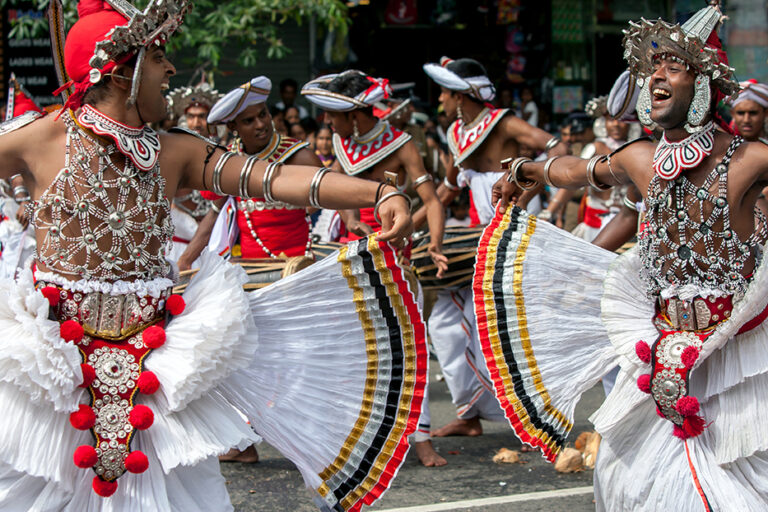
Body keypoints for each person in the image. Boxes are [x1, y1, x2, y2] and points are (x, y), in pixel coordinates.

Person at [0, 1, 424, 510]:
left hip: (156, 361)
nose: (170, 69)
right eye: (157, 56)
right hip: (52, 366)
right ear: (118, 73)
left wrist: (375, 194)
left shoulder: (175, 150)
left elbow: (275, 178)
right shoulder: (39, 139)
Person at [484, 4, 768, 508]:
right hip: (659, 346)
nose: (655, 76)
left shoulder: (750, 160)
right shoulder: (640, 157)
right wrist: (529, 168)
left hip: (738, 359)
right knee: (626, 479)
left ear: (703, 82)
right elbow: (574, 170)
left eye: (673, 66)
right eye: (651, 69)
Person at [303, 70, 449, 467]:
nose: (328, 124)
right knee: (351, 352)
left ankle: (420, 440)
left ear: (353, 115)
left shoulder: (401, 146)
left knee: (407, 352)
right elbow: (342, 189)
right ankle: (359, 439)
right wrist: (351, 219)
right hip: (355, 256)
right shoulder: (340, 141)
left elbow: (431, 201)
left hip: (395, 261)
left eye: (334, 115)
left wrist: (431, 242)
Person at [418, 56, 567, 439]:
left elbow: (555, 146)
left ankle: (538, 419)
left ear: (463, 96)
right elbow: (449, 187)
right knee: (446, 321)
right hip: (478, 239)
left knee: (508, 328)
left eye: (445, 93)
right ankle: (470, 412)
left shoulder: (503, 122)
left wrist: (534, 188)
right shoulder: (457, 133)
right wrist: (413, 225)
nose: (440, 100)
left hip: (515, 234)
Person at [177, 76, 321, 271]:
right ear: (232, 127)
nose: (260, 124)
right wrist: (185, 260)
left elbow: (330, 194)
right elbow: (215, 213)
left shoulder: (299, 155)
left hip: (300, 268)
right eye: (249, 121)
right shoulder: (228, 163)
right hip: (251, 273)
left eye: (263, 115)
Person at [165, 80, 222, 263]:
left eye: (202, 116)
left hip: (216, 242)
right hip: (178, 243)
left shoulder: (222, 154)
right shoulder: (174, 153)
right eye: (191, 116)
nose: (196, 122)